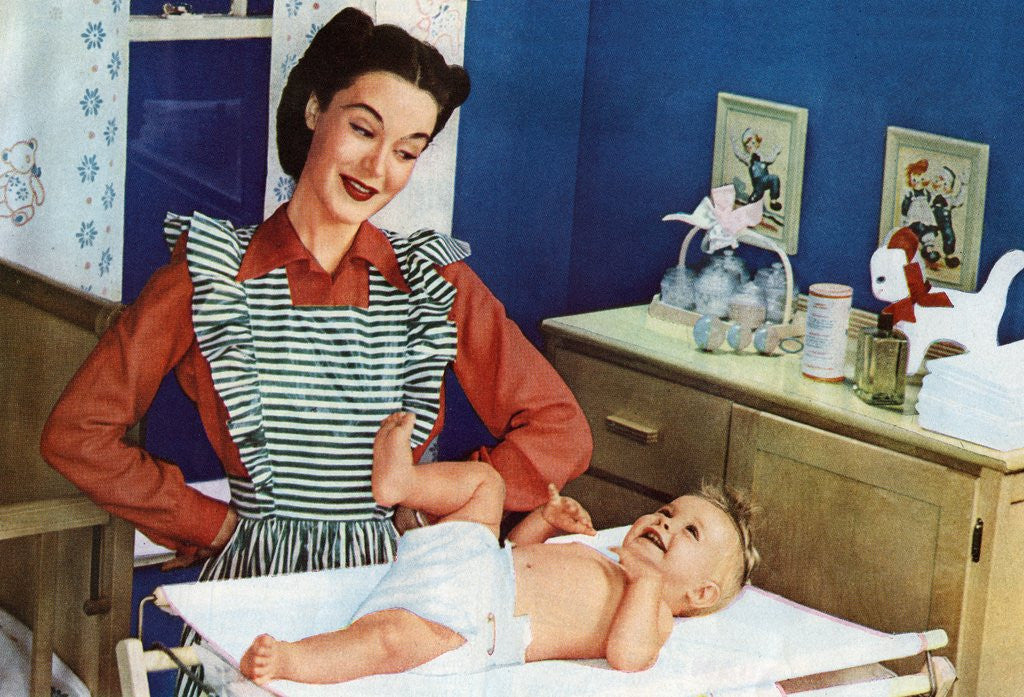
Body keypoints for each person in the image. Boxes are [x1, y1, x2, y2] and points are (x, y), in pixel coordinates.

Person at [40, 7, 591, 693]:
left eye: (407, 150)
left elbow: (561, 430)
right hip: (261, 596)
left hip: (398, 598)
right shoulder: (209, 273)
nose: (377, 167)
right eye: (363, 128)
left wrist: (437, 506)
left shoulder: (435, 283)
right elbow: (76, 434)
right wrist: (210, 523)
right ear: (312, 111)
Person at [239, 411, 759, 685]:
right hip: (476, 565)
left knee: (393, 639)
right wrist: (544, 520)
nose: (666, 524)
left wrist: (645, 582)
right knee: (487, 485)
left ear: (700, 592)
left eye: (688, 532)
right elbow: (514, 551)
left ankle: (295, 661)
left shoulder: (656, 615)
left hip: (474, 620)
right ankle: (400, 483)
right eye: (668, 513)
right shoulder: (597, 552)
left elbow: (627, 657)